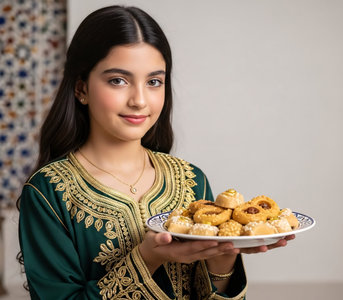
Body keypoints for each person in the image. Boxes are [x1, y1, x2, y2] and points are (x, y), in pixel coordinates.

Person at [18, 5, 294, 299]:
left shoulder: (191, 180)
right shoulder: (48, 193)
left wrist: (224, 257)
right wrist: (147, 258)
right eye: (118, 80)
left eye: (153, 82)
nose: (139, 100)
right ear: (81, 88)